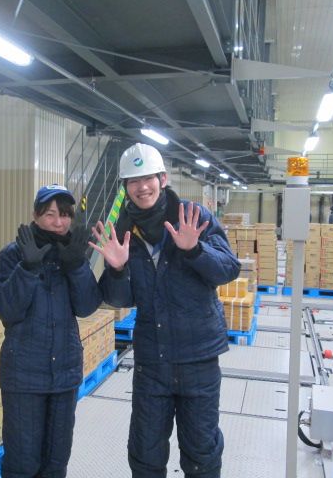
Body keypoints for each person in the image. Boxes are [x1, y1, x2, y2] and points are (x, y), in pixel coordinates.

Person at [91, 143, 241, 478]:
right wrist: (116, 270)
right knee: (145, 453)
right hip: (152, 362)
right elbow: (119, 299)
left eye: (148, 178)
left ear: (162, 179)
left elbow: (228, 269)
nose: (142, 187)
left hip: (198, 358)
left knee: (201, 452)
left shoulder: (193, 217)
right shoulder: (124, 231)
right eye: (133, 180)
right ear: (125, 187)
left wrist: (195, 250)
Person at [0, 184, 102, 478]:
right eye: (50, 214)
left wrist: (76, 265)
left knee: (55, 463)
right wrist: (27, 269)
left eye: (64, 214)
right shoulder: (12, 255)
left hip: (64, 375)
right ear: (35, 215)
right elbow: (7, 309)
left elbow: (87, 306)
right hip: (24, 377)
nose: (58, 222)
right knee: (22, 464)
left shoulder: (72, 254)